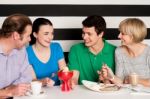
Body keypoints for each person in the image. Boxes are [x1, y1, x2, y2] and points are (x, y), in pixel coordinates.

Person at [68, 15, 116, 86]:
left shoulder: (115, 51)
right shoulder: (75, 49)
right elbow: (74, 78)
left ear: (100, 34)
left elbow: (117, 81)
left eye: (89, 34)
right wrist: (70, 83)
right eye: (83, 33)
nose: (84, 37)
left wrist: (105, 80)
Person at [101, 18, 150, 87]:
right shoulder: (119, 51)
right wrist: (111, 76)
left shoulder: (148, 52)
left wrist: (132, 80)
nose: (119, 36)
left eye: (123, 34)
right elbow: (121, 82)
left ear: (133, 36)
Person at [26, 18, 67, 86]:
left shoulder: (56, 47)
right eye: (46, 34)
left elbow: (64, 70)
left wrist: (65, 78)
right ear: (35, 34)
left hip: (57, 92)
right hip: (38, 93)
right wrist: (43, 81)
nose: (50, 37)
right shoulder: (27, 52)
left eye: (52, 33)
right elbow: (32, 80)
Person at [0, 14, 32, 98]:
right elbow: (13, 91)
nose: (30, 39)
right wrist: (8, 92)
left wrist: (5, 91)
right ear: (16, 35)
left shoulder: (21, 50)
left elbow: (26, 78)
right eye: (28, 35)